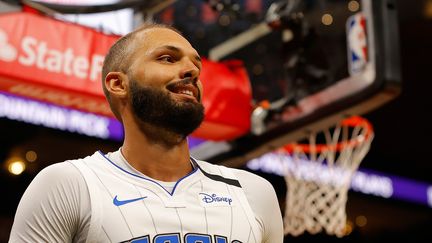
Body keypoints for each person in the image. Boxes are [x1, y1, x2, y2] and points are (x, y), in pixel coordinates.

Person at [9, 22, 284, 243]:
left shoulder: (253, 193)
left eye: (196, 65)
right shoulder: (68, 185)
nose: (191, 71)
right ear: (118, 84)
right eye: (167, 58)